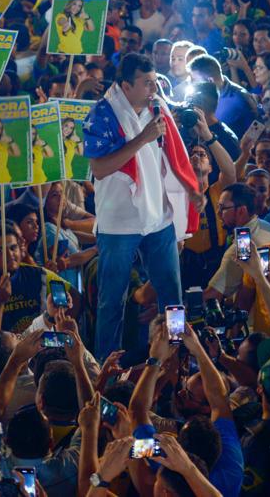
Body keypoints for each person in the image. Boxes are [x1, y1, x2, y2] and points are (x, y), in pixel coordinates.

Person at [83, 53, 198, 359]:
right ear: (125, 86)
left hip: (157, 216)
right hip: (119, 223)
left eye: (155, 81)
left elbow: (173, 155)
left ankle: (175, 357)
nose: (153, 88)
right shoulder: (102, 115)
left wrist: (191, 188)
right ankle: (108, 369)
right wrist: (142, 139)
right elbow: (100, 168)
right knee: (112, 302)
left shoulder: (158, 108)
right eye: (146, 83)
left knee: (172, 296)